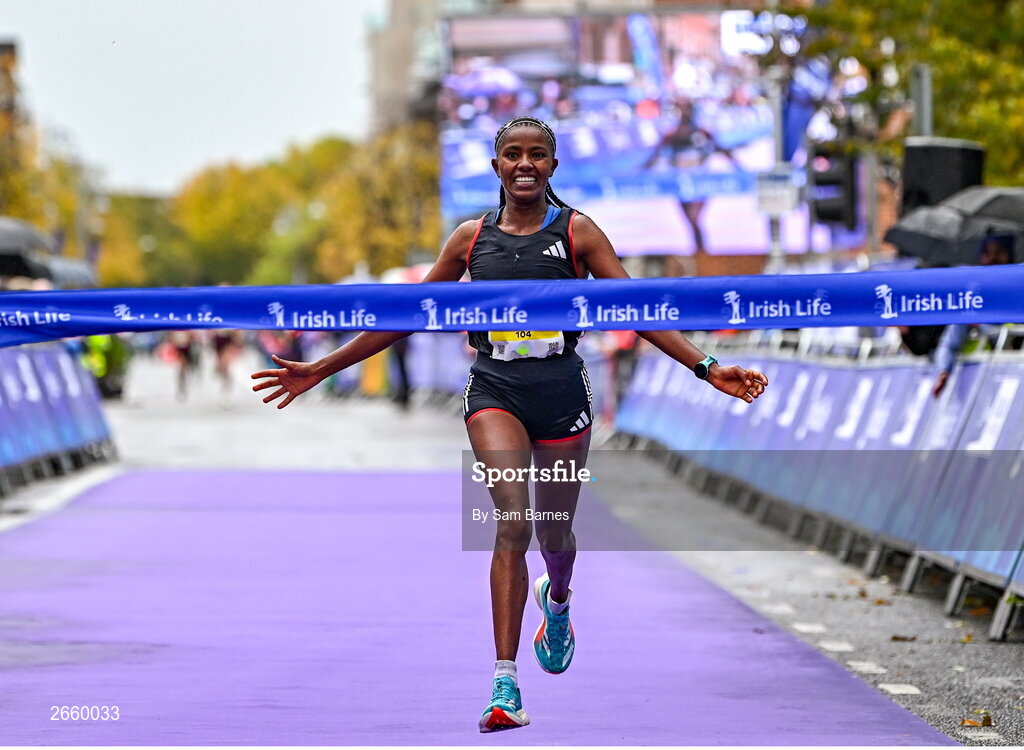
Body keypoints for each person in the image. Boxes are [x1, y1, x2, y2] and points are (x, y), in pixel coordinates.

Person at [251, 116, 768, 732]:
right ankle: (505, 684)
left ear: (553, 166)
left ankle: (559, 599)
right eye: (513, 155)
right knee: (513, 523)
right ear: (496, 166)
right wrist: (324, 367)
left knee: (556, 538)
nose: (525, 165)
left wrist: (707, 368)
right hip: (495, 387)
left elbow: (638, 308)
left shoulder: (578, 233)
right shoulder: (469, 240)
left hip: (561, 392)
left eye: (538, 155)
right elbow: (408, 314)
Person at [642, 97, 741, 257]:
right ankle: (700, 252)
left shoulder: (703, 132)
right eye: (682, 108)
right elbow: (654, 157)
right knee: (689, 220)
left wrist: (740, 168)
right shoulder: (672, 134)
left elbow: (721, 149)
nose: (685, 112)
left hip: (701, 182)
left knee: (695, 218)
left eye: (687, 108)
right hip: (680, 183)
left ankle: (702, 253)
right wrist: (638, 174)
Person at [932, 232, 1016, 397]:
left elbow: (1014, 333)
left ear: (1009, 255)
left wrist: (981, 325)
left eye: (998, 252)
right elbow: (949, 343)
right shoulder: (973, 296)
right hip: (983, 385)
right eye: (987, 253)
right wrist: (943, 370)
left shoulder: (1017, 288)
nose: (992, 259)